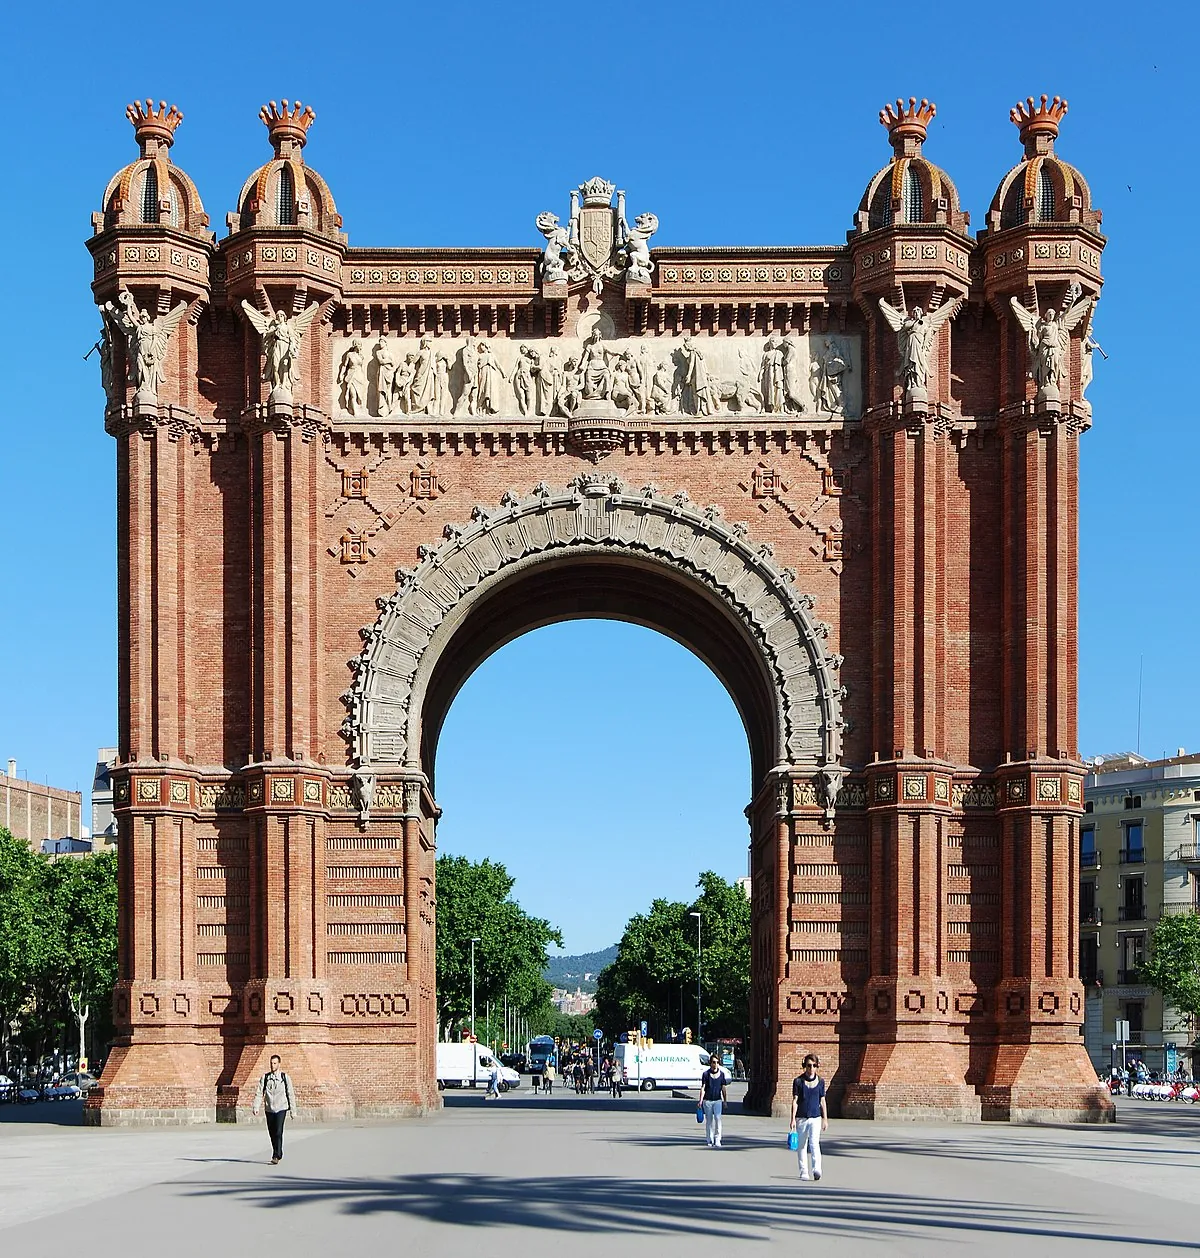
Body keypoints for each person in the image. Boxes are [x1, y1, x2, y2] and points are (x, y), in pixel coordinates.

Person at [789, 1053, 829, 1181]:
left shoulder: (821, 1082)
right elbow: (795, 1100)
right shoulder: (798, 1082)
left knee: (814, 1143)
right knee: (802, 1145)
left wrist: (825, 1119)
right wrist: (792, 1119)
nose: (811, 1068)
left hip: (815, 1118)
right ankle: (804, 1171)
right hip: (801, 1118)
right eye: (809, 1065)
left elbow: (822, 1101)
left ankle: (817, 1169)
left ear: (817, 1067)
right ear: (804, 1066)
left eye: (814, 1065)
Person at [251, 1053, 297, 1165]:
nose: (272, 1065)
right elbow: (259, 1093)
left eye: (275, 1063)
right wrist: (256, 1106)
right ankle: (276, 1150)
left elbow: (290, 1094)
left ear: (279, 1064)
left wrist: (293, 1110)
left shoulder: (284, 1078)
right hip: (269, 1108)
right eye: (271, 1063)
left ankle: (276, 1154)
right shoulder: (265, 1078)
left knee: (278, 1131)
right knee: (272, 1132)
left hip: (282, 1108)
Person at [700, 1055, 728, 1148]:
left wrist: (725, 1101)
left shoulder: (722, 1074)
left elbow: (723, 1088)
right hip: (707, 1101)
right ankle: (709, 1139)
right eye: (713, 1062)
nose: (715, 1064)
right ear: (710, 1063)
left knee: (717, 1119)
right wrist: (700, 1101)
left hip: (717, 1100)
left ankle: (717, 1139)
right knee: (709, 1121)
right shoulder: (705, 1074)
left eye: (717, 1062)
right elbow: (703, 1088)